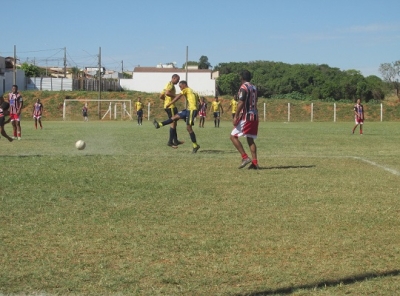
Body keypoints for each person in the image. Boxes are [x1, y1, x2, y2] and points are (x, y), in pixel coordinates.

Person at [153, 80, 200, 153]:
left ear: (184, 85)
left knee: (189, 128)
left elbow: (178, 97)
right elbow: (200, 102)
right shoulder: (194, 92)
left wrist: (170, 103)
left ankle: (195, 145)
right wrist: (197, 110)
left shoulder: (186, 89)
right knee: (174, 117)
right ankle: (159, 125)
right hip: (187, 110)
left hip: (191, 110)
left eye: (180, 87)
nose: (180, 88)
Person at [230, 70, 259, 169]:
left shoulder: (243, 87)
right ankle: (255, 163)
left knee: (233, 136)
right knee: (250, 139)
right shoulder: (254, 87)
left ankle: (245, 157)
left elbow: (241, 102)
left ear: (241, 78)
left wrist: (236, 115)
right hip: (255, 116)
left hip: (247, 117)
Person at [160, 74, 184, 147]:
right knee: (173, 123)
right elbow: (167, 93)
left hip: (168, 106)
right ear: (174, 78)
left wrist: (166, 101)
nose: (178, 81)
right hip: (171, 107)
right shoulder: (170, 85)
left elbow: (161, 96)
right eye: (177, 79)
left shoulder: (167, 85)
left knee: (174, 123)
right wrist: (175, 96)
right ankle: (170, 142)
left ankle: (175, 140)